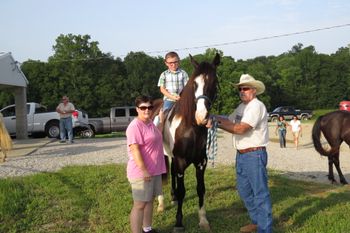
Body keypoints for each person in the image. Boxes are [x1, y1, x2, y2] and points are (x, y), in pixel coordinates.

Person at [208, 74, 272, 233]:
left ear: (254, 90)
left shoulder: (256, 106)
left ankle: (265, 229)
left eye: (246, 88)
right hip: (242, 155)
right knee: (244, 190)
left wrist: (215, 122)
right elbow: (228, 120)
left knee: (260, 194)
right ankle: (256, 221)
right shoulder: (242, 107)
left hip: (254, 154)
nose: (242, 91)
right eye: (240, 89)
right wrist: (211, 116)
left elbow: (241, 128)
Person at [126, 95, 166, 233]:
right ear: (137, 109)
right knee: (139, 205)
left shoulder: (149, 123)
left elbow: (157, 135)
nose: (147, 110)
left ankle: (147, 229)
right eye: (143, 108)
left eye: (149, 107)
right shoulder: (135, 126)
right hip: (141, 173)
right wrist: (144, 170)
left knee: (149, 201)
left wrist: (161, 121)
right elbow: (135, 150)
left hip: (154, 171)